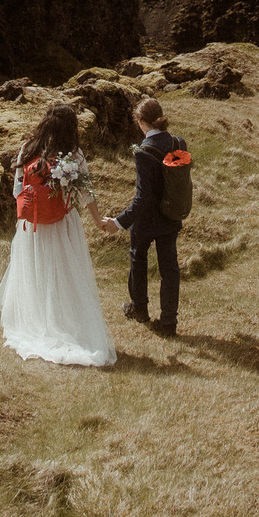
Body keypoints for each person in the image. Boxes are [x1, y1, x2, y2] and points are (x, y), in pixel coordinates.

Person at [0, 105, 116, 367]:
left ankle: (38, 322)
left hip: (32, 225)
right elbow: (86, 192)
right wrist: (97, 220)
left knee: (36, 273)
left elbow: (17, 188)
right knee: (65, 274)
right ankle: (66, 323)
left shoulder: (28, 148)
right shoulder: (73, 154)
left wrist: (23, 216)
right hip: (62, 223)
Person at [100, 97, 187, 337]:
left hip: (147, 220)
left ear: (140, 121)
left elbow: (143, 197)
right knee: (169, 268)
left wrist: (118, 223)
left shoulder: (143, 151)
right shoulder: (178, 142)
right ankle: (168, 322)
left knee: (138, 260)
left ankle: (139, 309)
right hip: (171, 215)